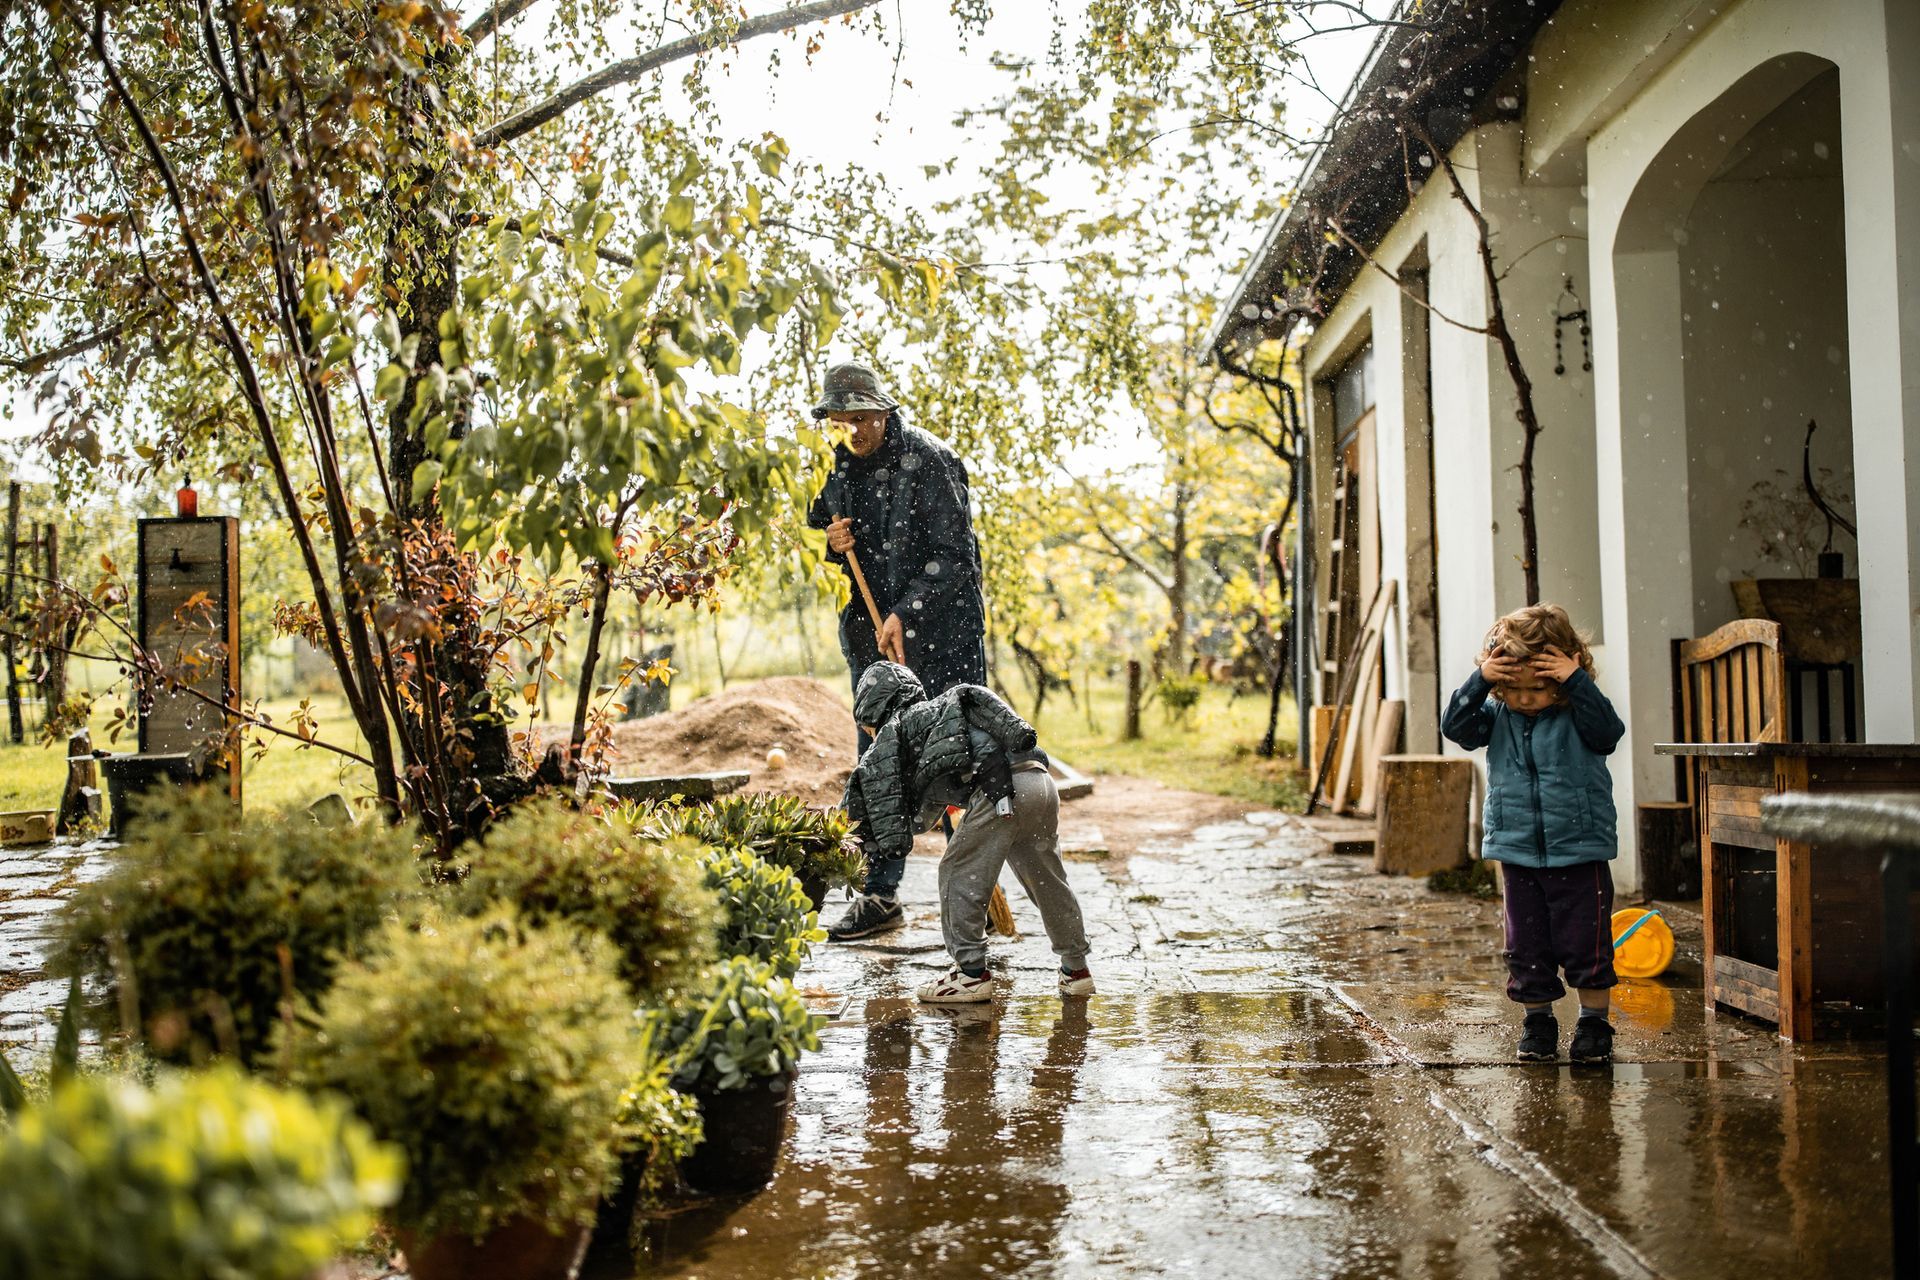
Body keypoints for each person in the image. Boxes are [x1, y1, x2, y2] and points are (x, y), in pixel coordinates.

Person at [804, 361, 988, 939]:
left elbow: (955, 559)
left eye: (863, 418)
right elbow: (824, 516)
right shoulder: (838, 464)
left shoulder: (930, 462)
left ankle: (975, 897)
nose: (854, 431)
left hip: (942, 641)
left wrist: (904, 613)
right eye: (843, 421)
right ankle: (880, 896)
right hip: (873, 643)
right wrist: (834, 541)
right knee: (879, 764)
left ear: (884, 412)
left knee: (956, 761)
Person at [841, 661, 1094, 1002]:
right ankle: (1076, 968)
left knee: (957, 873)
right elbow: (935, 798)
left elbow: (886, 791)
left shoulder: (896, 732)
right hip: (1039, 781)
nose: (870, 734)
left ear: (875, 710)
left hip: (999, 793)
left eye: (868, 726)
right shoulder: (943, 713)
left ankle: (971, 974)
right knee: (1047, 880)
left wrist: (885, 836)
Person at [1440, 603, 1626, 1065]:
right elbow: (1455, 729)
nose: (1525, 699)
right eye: (1513, 689)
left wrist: (1577, 681)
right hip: (1517, 849)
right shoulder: (1497, 715)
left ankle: (1593, 1023)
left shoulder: (1580, 711)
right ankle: (1538, 1020)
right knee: (1527, 946)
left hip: (1579, 849)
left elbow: (1608, 733)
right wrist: (1481, 680)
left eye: (1538, 687)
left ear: (1563, 673)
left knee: (1588, 942)